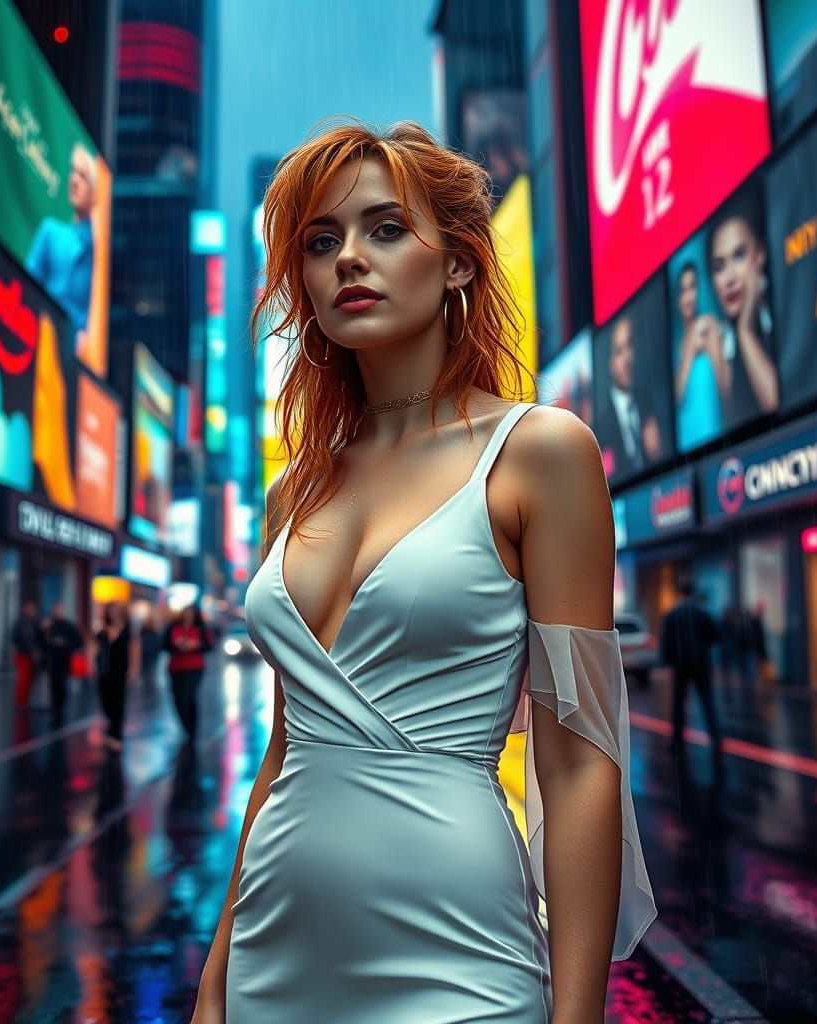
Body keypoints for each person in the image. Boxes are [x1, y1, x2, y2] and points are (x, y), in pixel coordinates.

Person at [191, 120, 656, 1024]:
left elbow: (578, 764)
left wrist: (579, 1017)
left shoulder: (541, 454)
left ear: (459, 265)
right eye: (320, 242)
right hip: (271, 958)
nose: (347, 258)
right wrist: (216, 975)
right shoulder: (293, 492)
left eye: (385, 228)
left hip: (460, 956)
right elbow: (284, 749)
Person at [707, 196, 779, 425]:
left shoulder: (788, 310)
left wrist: (745, 331)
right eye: (719, 267)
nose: (729, 278)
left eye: (739, 255)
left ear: (760, 255)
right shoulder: (720, 344)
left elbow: (774, 401)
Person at [24, 142, 96, 337]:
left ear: (95, 190)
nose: (74, 181)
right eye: (74, 172)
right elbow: (26, 286)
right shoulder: (50, 232)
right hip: (40, 334)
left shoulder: (99, 254)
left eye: (83, 176)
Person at [659, 578, 723, 761]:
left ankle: (677, 741)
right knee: (707, 700)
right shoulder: (702, 613)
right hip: (701, 664)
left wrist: (666, 662)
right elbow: (715, 637)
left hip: (680, 665)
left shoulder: (672, 615)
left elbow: (666, 641)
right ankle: (716, 737)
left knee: (678, 703)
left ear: (679, 593)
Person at [594, 313, 663, 477]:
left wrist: (657, 454)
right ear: (610, 363)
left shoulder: (649, 401)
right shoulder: (600, 426)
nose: (627, 358)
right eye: (619, 351)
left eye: (629, 345)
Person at [673, 261, 726, 450]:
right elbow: (677, 398)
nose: (689, 296)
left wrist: (712, 344)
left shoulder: (709, 326)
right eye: (683, 290)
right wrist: (689, 353)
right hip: (686, 443)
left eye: (692, 287)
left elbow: (725, 388)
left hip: (713, 434)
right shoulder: (676, 346)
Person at [165, 603, 213, 746]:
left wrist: (195, 645)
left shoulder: (200, 628)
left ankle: (192, 730)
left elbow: (208, 646)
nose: (187, 616)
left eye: (190, 613)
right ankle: (186, 726)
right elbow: (164, 645)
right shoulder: (173, 627)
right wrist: (176, 645)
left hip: (194, 667)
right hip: (176, 667)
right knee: (178, 699)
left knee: (189, 697)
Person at [95, 603, 131, 752]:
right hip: (104, 670)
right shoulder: (102, 630)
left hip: (120, 670)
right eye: (110, 611)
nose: (113, 614)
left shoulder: (126, 629)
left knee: (118, 702)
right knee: (106, 701)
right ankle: (111, 728)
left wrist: (133, 668)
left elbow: (134, 647)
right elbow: (95, 647)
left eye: (115, 611)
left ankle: (116, 735)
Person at [44, 603, 83, 728]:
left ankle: (61, 711)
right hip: (52, 661)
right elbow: (42, 642)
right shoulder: (49, 625)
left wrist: (65, 643)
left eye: (59, 610)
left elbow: (78, 642)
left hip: (65, 661)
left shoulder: (69, 626)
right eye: (55, 610)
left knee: (62, 687)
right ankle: (56, 713)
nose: (57, 612)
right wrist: (45, 632)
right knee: (53, 687)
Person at [11, 601, 45, 709]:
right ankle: (21, 702)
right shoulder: (23, 623)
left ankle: (25, 701)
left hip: (27, 654)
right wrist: (33, 650)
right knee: (24, 679)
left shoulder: (33, 622)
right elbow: (25, 639)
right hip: (23, 654)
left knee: (28, 679)